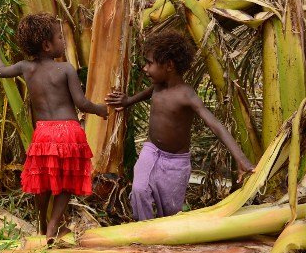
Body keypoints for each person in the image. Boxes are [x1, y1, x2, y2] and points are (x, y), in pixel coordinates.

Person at [0, 13, 108, 245]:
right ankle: (53, 227)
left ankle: (41, 225)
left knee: (44, 180)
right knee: (66, 182)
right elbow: (81, 103)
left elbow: (1, 71)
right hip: (69, 132)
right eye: (60, 37)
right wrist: (99, 109)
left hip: (44, 133)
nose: (63, 41)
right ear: (47, 45)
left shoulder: (25, 68)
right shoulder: (66, 69)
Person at [105, 30, 255, 221]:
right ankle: (144, 232)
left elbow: (215, 125)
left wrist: (240, 157)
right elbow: (149, 92)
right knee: (139, 190)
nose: (145, 68)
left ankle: (165, 240)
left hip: (176, 163)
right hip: (151, 151)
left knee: (170, 211)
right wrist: (128, 101)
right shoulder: (158, 85)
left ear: (169, 66)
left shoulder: (186, 95)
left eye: (150, 63)